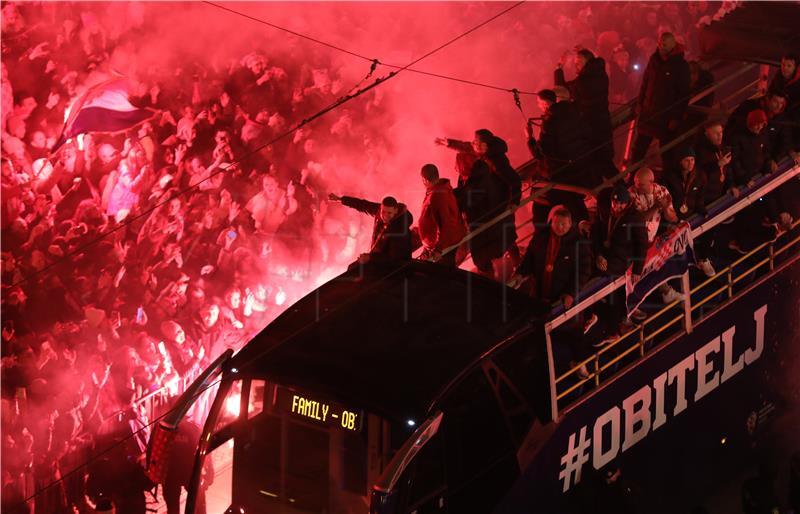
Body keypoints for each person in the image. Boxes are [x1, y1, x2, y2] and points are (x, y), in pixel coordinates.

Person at [590, 184, 648, 342]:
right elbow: (595, 234)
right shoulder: (605, 212)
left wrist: (637, 269)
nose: (617, 207)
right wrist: (598, 255)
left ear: (627, 203)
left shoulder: (635, 217)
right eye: (615, 203)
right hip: (605, 256)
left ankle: (614, 324)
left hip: (622, 259)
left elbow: (642, 244)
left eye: (621, 204)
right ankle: (598, 317)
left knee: (610, 284)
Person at [510, 205, 591, 309]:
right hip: (538, 292)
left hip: (561, 300)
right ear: (551, 222)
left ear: (570, 224)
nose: (559, 227)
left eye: (563, 224)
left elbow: (583, 271)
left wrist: (571, 293)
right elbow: (529, 258)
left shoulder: (579, 244)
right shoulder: (541, 236)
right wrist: (520, 273)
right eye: (556, 223)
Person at [631, 32, 691, 165]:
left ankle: (667, 180)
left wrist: (676, 117)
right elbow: (645, 83)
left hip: (666, 117)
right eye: (659, 43)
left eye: (664, 44)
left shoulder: (681, 66)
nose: (661, 46)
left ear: (673, 45)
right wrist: (640, 104)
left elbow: (684, 94)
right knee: (638, 150)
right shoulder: (654, 59)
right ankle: (631, 179)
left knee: (667, 152)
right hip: (648, 112)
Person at [555, 48, 614, 162]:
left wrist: (559, 68)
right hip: (604, 125)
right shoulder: (602, 75)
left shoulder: (582, 82)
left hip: (590, 129)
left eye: (579, 63)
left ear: (588, 63)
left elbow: (561, 91)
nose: (576, 66)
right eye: (575, 64)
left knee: (596, 163)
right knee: (606, 163)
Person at [328, 193, 413, 265]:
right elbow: (363, 205)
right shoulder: (378, 212)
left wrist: (370, 258)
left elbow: (394, 258)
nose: (385, 216)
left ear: (395, 211)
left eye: (389, 213)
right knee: (353, 267)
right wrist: (341, 199)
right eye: (383, 212)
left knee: (355, 269)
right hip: (377, 258)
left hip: (393, 269)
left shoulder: (400, 230)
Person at [417, 164, 466, 266]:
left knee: (444, 274)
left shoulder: (437, 196)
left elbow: (446, 224)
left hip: (444, 244)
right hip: (441, 242)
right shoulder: (441, 188)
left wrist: (438, 249)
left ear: (425, 180)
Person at [694, 120, 732, 205]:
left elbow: (728, 168)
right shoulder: (700, 151)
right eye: (716, 133)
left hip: (721, 192)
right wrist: (717, 164)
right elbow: (700, 173)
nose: (720, 136)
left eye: (721, 132)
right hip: (706, 198)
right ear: (707, 134)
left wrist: (731, 186)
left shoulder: (723, 147)